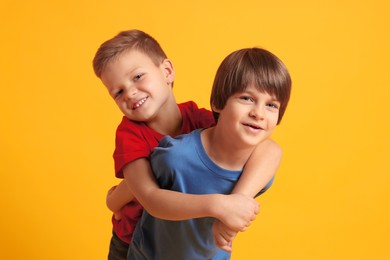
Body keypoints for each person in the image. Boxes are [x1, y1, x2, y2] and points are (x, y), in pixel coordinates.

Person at [93, 30, 282, 260]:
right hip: (135, 240)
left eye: (138, 77)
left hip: (184, 240)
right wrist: (218, 205)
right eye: (118, 92)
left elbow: (268, 148)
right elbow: (151, 197)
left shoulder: (199, 120)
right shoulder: (129, 134)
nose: (130, 93)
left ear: (167, 71)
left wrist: (237, 201)